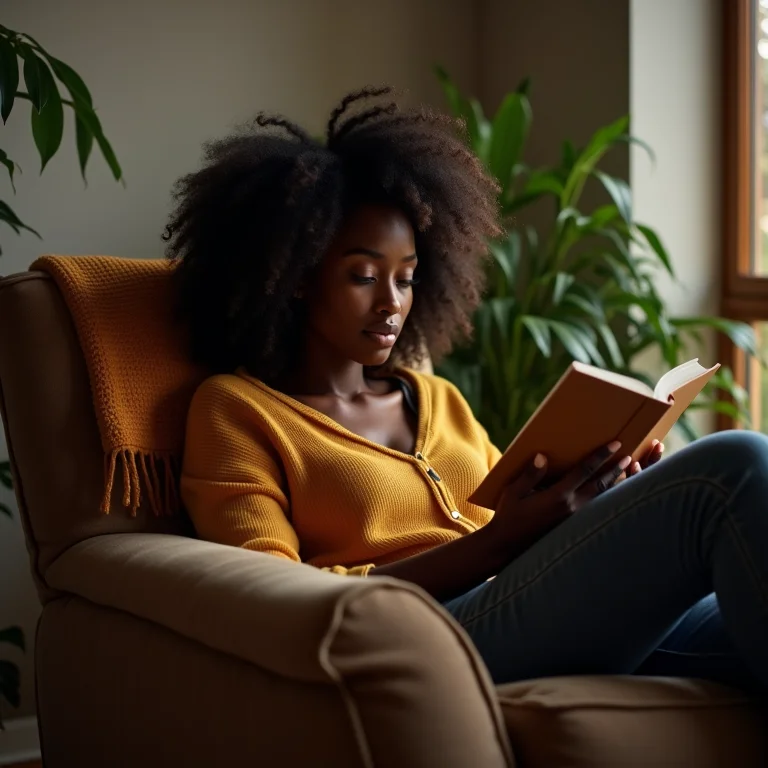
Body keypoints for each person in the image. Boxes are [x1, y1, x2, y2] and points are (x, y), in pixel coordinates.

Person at [168, 86, 768, 692]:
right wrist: (495, 544)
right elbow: (279, 602)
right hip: (429, 633)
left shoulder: (438, 399)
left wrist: (599, 496)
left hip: (533, 601)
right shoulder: (237, 412)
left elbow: (522, 524)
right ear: (296, 277)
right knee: (733, 465)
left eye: (406, 279)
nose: (392, 303)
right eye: (364, 276)